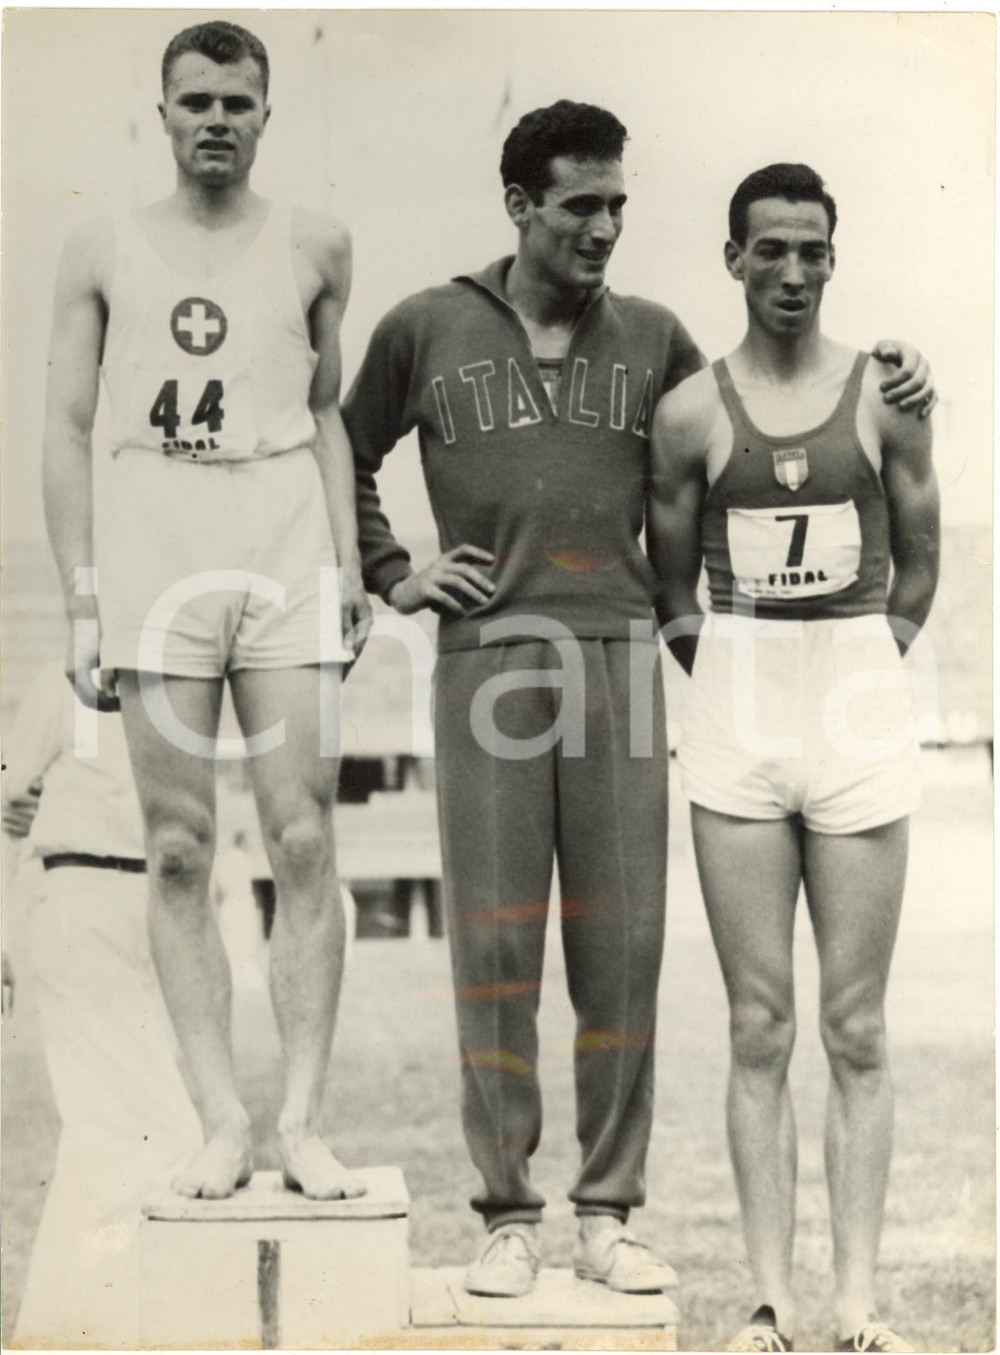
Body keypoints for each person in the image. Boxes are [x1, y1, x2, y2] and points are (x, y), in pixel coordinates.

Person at [343, 102, 936, 1299]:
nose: (606, 226)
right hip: (487, 662)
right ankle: (508, 1212)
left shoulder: (656, 341)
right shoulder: (424, 325)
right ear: (519, 204)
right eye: (580, 205)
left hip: (617, 661)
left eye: (619, 203)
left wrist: (901, 370)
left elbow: (757, 421)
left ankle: (606, 1208)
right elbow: (340, 446)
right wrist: (396, 571)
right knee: (495, 946)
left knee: (620, 948)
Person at [42, 20, 371, 1201]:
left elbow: (326, 412)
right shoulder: (102, 249)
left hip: (278, 537)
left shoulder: (317, 243)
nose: (217, 120)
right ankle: (220, 1119)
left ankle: (306, 1117)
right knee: (177, 845)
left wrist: (340, 567)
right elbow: (70, 431)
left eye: (237, 100)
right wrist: (85, 599)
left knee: (302, 835)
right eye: (196, 101)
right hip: (155, 541)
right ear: (163, 113)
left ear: (266, 114)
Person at [648, 163, 939, 1352]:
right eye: (769, 250)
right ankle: (767, 1304)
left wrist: (871, 658)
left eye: (812, 250)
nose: (792, 272)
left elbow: (920, 559)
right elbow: (670, 585)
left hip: (856, 696)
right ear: (733, 260)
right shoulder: (689, 413)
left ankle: (857, 1306)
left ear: (833, 257)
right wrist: (730, 683)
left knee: (857, 1026)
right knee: (759, 1022)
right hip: (741, 705)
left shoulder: (887, 394)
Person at [2, 663, 202, 1347]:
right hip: (77, 892)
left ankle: (65, 1326)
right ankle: (111, 1324)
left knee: (101, 1133)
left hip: (161, 910)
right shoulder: (60, 686)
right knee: (161, 1132)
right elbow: (4, 784)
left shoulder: (181, 689)